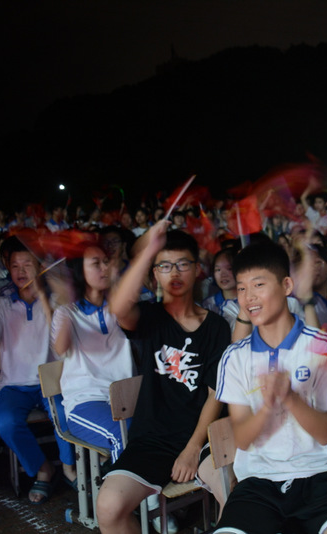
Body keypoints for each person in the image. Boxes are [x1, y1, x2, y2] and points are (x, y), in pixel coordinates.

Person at [214, 241, 327, 534]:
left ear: (286, 285)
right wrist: (268, 407)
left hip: (321, 475)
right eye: (242, 288)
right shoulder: (234, 357)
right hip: (258, 482)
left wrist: (290, 398)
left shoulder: (325, 347)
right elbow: (243, 439)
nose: (249, 297)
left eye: (259, 285)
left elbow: (326, 433)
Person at [96, 224, 230, 534]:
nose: (175, 272)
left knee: (234, 498)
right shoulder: (150, 317)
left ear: (197, 269)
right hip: (152, 439)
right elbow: (118, 307)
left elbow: (215, 394)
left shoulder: (217, 327)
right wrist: (147, 253)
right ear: (155, 273)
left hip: (203, 439)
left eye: (183, 264)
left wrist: (192, 448)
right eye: (165, 266)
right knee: (108, 506)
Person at [0, 237, 77, 502]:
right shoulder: (1, 305)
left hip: (51, 382)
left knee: (65, 415)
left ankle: (69, 468)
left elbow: (60, 341)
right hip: (14, 385)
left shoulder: (55, 300)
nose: (21, 271)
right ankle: (43, 469)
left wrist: (43, 297)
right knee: (5, 423)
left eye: (27, 265)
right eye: (15, 266)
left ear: (40, 268)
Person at [51, 244, 134, 465]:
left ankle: (126, 479)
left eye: (106, 262)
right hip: (86, 402)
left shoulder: (118, 308)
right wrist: (65, 298)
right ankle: (125, 487)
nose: (104, 268)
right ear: (80, 271)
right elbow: (60, 348)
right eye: (96, 264)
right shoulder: (66, 312)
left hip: (126, 398)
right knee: (123, 433)